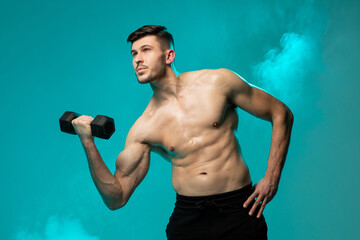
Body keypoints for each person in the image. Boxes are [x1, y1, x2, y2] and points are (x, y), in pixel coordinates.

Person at [71, 25, 294, 239]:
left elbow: (280, 113)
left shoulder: (217, 82)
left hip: (238, 208)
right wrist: (88, 142)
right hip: (189, 219)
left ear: (169, 56)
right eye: (134, 53)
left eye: (146, 50)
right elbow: (116, 198)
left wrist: (272, 178)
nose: (137, 59)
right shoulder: (143, 128)